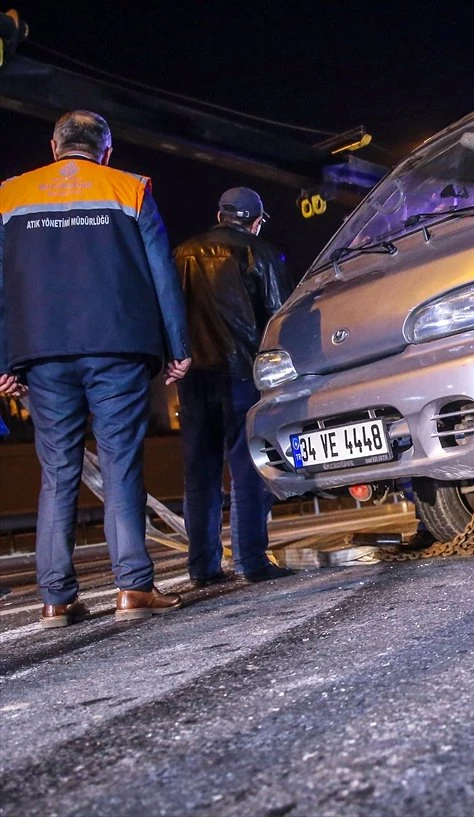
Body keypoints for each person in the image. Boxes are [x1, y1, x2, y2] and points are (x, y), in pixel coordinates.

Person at [0, 110, 192, 627]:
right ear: (105, 151)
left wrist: (4, 360)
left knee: (57, 473)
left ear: (54, 146)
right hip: (117, 349)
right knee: (119, 464)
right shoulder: (129, 188)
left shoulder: (11, 195)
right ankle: (132, 589)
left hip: (40, 355)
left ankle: (56, 599)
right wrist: (177, 345)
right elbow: (161, 273)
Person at [173, 187, 297, 586]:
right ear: (256, 221)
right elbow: (279, 318)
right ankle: (250, 561)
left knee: (200, 473)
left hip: (193, 377)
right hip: (243, 375)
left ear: (220, 214)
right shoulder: (261, 254)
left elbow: (168, 309)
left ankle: (203, 568)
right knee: (248, 470)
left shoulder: (182, 254)